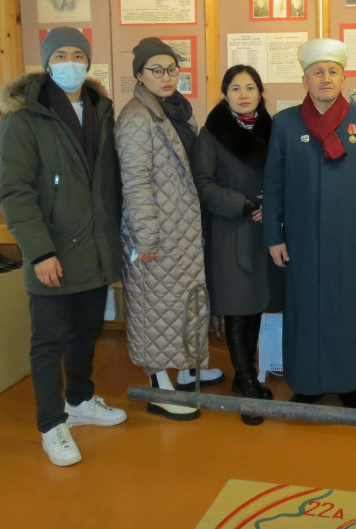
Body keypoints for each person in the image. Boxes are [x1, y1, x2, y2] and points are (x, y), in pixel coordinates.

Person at [0, 26, 127, 466]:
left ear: (88, 61)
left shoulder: (101, 110)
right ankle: (52, 424)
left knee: (85, 333)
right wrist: (40, 252)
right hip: (52, 251)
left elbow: (108, 183)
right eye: (61, 55)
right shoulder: (23, 118)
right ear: (47, 62)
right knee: (48, 343)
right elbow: (15, 191)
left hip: (95, 249)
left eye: (78, 54)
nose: (71, 62)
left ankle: (80, 401)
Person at [263, 38, 356, 409]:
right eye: (317, 72)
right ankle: (306, 383)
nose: (325, 78)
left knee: (346, 311)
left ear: (343, 78)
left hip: (350, 239)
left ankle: (348, 383)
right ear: (305, 80)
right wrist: (273, 236)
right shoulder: (285, 123)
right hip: (300, 239)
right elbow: (273, 182)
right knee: (304, 310)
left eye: (333, 71)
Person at [116, 37, 224, 421]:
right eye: (156, 70)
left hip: (183, 231)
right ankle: (159, 386)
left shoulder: (177, 110)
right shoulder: (135, 117)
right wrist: (146, 238)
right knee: (154, 309)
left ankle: (187, 369)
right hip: (156, 234)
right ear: (139, 75)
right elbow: (135, 182)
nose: (166, 77)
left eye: (172, 69)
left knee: (184, 305)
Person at [191, 65, 282, 426]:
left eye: (250, 88)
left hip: (264, 233)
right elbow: (202, 184)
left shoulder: (272, 129)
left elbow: (283, 175)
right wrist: (243, 204)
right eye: (235, 88)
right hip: (230, 232)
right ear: (225, 94)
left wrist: (271, 203)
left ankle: (244, 375)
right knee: (237, 308)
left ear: (260, 93)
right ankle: (247, 383)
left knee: (255, 306)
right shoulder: (212, 133)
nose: (243, 95)